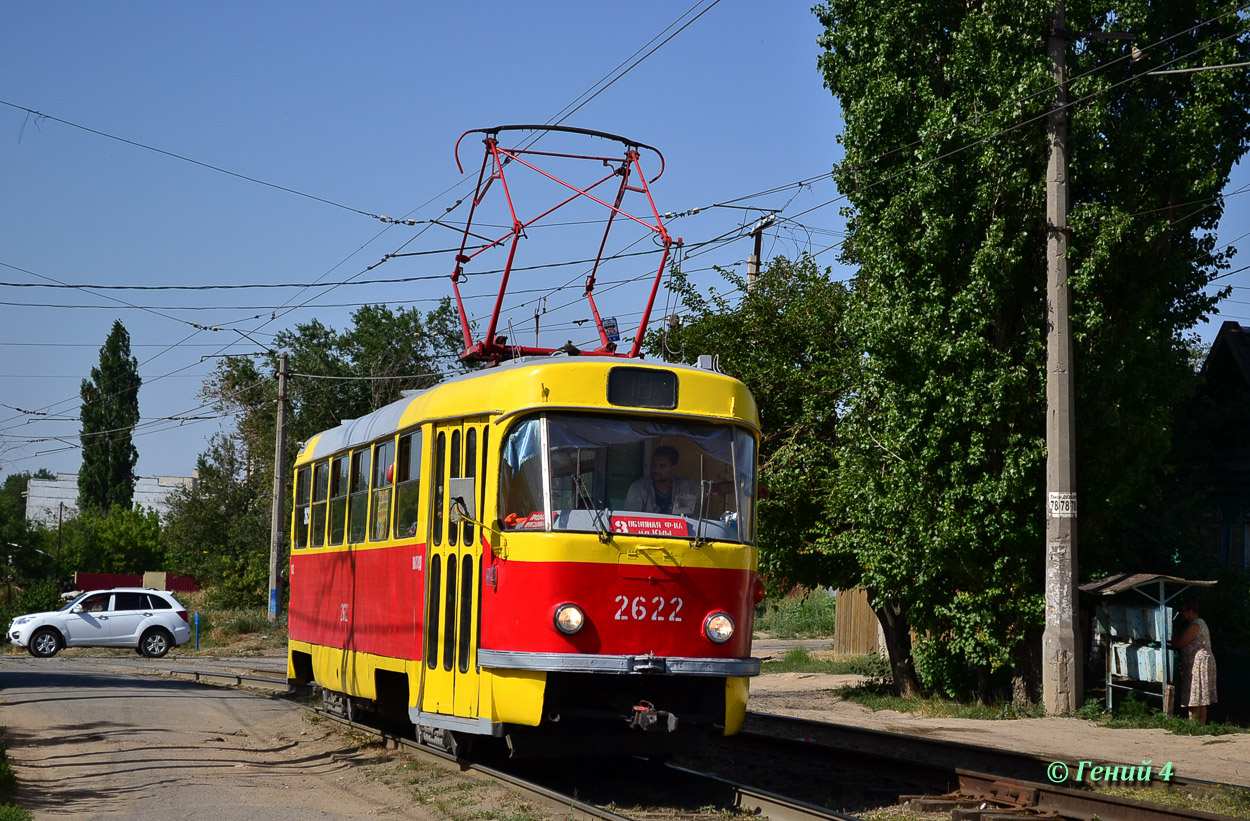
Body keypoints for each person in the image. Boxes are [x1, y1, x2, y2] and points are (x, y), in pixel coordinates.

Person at [1169, 601, 1217, 724]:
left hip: (1198, 663)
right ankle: (1201, 725)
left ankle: (1194, 725)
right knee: (1201, 697)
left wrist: (1170, 636)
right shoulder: (1201, 623)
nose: (1183, 614)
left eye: (1184, 611)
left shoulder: (1195, 625)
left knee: (1195, 695)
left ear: (1191, 612)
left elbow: (1181, 643)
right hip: (1202, 662)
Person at [625, 445, 698, 515]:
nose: (656, 469)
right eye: (654, 465)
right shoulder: (638, 488)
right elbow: (629, 521)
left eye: (662, 466)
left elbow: (707, 492)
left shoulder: (686, 486)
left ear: (674, 469)